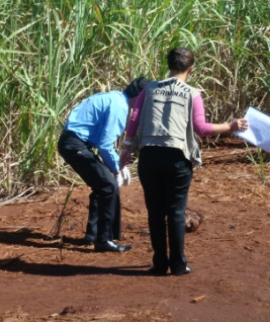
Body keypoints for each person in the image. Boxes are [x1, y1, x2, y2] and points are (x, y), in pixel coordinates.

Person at [120, 47, 249, 274]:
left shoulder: (148, 89)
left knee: (155, 212)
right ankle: (178, 264)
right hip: (177, 158)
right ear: (191, 69)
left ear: (168, 65)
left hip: (149, 156)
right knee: (176, 212)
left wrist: (127, 147)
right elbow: (201, 128)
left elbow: (134, 119)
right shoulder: (192, 93)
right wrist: (231, 127)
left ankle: (160, 263)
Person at [58, 77, 149, 252]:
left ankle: (93, 235)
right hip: (76, 145)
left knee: (103, 186)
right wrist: (118, 168)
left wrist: (116, 166)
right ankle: (104, 240)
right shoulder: (120, 108)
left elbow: (102, 143)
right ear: (139, 98)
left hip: (73, 143)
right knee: (108, 186)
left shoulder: (115, 98)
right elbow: (105, 145)